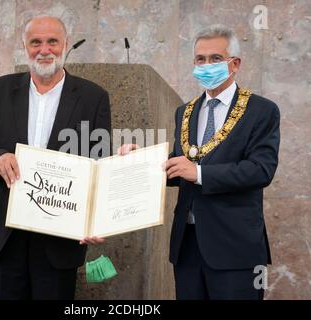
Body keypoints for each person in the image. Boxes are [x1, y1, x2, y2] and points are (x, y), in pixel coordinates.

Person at [119, 25, 280, 300]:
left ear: (235, 64)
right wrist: (141, 161)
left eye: (215, 59)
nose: (206, 65)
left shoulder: (261, 110)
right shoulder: (185, 111)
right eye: (200, 59)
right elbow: (181, 166)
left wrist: (201, 173)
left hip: (235, 247)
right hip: (187, 245)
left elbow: (260, 170)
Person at [0, 16, 110, 300]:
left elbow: (99, 164)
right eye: (36, 42)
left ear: (65, 45)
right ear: (25, 47)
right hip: (7, 233)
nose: (45, 49)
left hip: (61, 237)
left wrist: (96, 219)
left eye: (52, 41)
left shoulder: (94, 97)